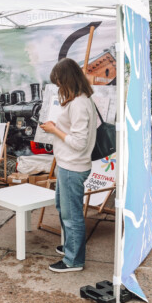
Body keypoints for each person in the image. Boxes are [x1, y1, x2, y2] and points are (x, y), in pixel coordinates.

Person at [39, 58, 97, 273]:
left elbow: (79, 143)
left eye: (59, 83)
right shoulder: (80, 100)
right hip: (68, 164)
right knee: (64, 209)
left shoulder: (79, 104)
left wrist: (54, 130)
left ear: (67, 80)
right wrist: (56, 127)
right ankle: (71, 247)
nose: (58, 88)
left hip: (73, 166)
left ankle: (74, 260)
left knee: (71, 214)